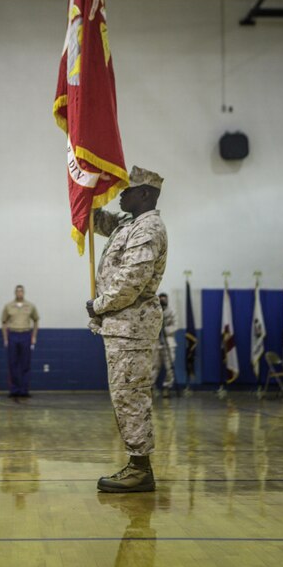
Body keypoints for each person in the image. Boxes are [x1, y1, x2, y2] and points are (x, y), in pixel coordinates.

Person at [86, 166, 168, 494]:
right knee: (124, 396)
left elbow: (130, 283)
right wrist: (83, 194)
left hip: (132, 326)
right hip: (122, 327)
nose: (121, 193)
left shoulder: (148, 228)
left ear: (145, 194)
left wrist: (99, 305)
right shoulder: (128, 223)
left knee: (131, 397)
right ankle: (137, 464)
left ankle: (140, 469)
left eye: (128, 190)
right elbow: (95, 221)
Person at [1, 285, 39, 398]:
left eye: (21, 291)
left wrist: (34, 336)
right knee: (13, 363)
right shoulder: (8, 306)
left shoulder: (30, 306)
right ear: (15, 293)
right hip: (12, 334)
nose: (19, 293)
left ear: (24, 293)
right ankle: (14, 390)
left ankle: (24, 390)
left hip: (26, 335)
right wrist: (5, 338)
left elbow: (36, 320)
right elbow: (4, 322)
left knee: (25, 364)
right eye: (17, 291)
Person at [151, 292, 177, 396]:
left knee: (169, 367)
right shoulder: (153, 312)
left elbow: (175, 326)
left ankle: (167, 386)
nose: (162, 301)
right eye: (160, 299)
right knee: (153, 366)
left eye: (164, 299)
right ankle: (151, 387)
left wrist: (164, 330)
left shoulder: (172, 312)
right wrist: (157, 330)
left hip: (168, 342)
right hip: (155, 342)